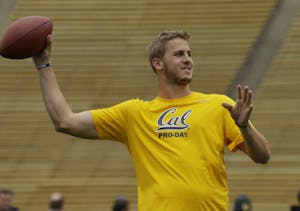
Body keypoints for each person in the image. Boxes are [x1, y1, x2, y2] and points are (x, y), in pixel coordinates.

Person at [32, 30, 271, 211]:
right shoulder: (134, 113)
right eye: (178, 54)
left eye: (189, 54)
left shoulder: (219, 105)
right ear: (158, 64)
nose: (188, 59)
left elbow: (263, 156)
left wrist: (244, 127)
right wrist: (43, 63)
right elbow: (64, 121)